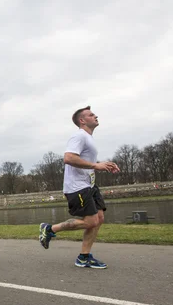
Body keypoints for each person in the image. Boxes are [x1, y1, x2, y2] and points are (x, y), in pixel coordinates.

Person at [39, 106, 120, 269]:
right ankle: (49, 229)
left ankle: (84, 257)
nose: (96, 116)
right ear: (82, 121)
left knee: (99, 219)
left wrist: (101, 165)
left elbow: (84, 161)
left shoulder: (88, 138)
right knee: (91, 221)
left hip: (89, 184)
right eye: (91, 115)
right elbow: (68, 158)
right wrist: (95, 166)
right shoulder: (79, 136)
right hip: (77, 187)